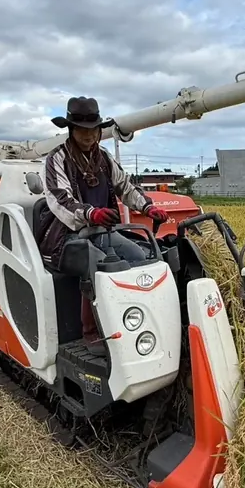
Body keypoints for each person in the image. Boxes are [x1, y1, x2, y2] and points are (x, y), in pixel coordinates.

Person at [35, 95, 169, 349]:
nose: (88, 136)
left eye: (93, 131)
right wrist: (90, 214)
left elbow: (126, 187)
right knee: (96, 264)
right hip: (65, 237)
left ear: (99, 131)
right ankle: (91, 331)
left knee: (139, 258)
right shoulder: (56, 159)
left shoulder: (103, 157)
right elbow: (60, 199)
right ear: (71, 130)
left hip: (101, 231)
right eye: (82, 131)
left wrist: (148, 207)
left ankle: (134, 320)